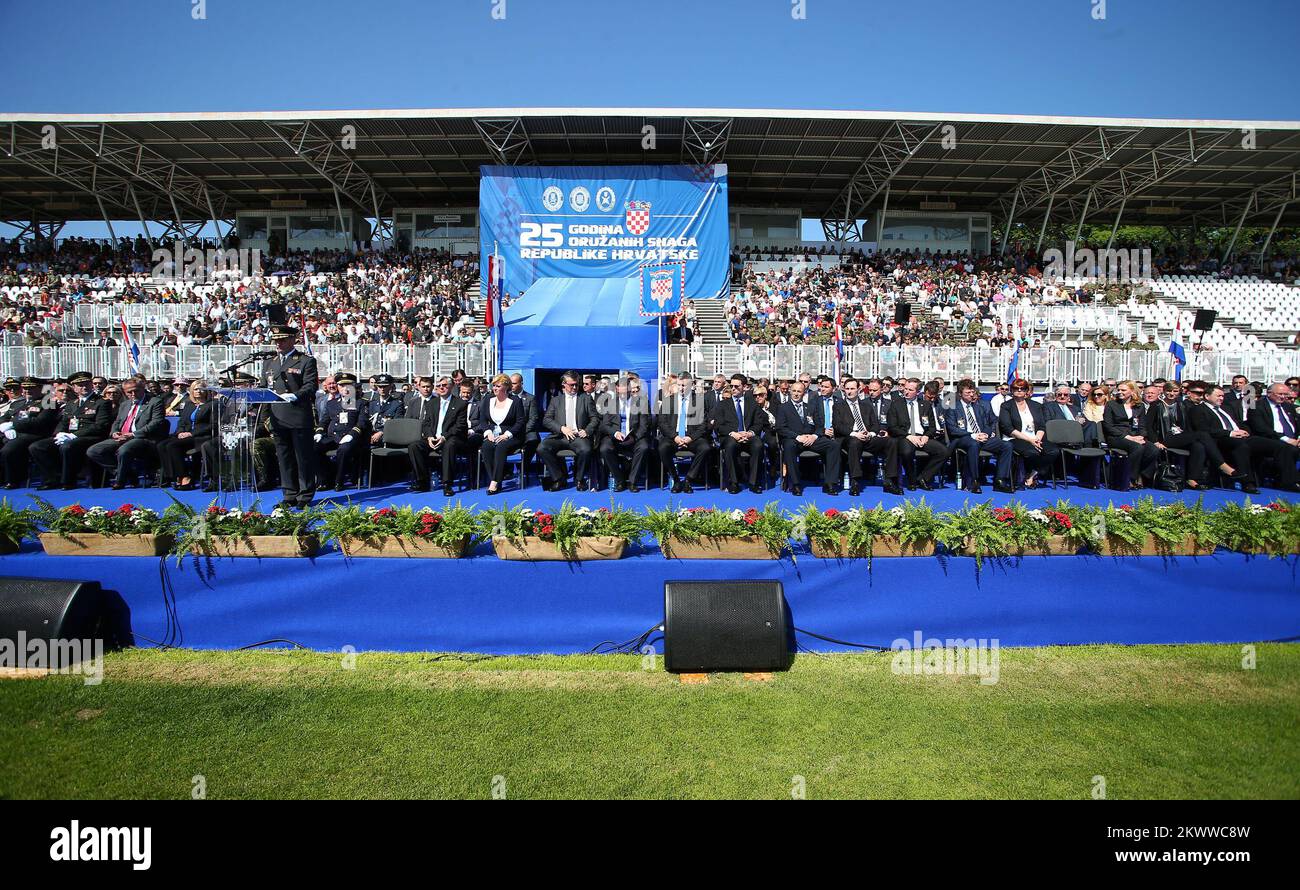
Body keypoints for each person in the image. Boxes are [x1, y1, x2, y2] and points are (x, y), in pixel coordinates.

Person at [259, 323, 320, 508]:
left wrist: (295, 395)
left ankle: (305, 495)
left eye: (283, 339)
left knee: (303, 458)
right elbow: (265, 389)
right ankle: (289, 494)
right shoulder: (269, 362)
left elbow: (310, 386)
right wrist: (266, 417)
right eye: (276, 340)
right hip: (278, 417)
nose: (278, 343)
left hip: (298, 415)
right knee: (284, 458)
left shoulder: (305, 361)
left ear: (293, 340)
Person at [30, 371, 113, 490]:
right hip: (69, 435)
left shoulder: (102, 402)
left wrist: (73, 435)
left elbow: (101, 425)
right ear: (74, 388)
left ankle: (67, 481)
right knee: (37, 447)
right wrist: (59, 434)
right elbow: (64, 422)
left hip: (91, 436)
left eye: (87, 384)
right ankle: (53, 479)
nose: (84, 387)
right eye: (80, 385)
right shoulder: (71, 403)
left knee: (67, 447)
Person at [86, 376, 169, 489]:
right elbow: (118, 421)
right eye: (129, 392)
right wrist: (115, 432)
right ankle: (128, 474)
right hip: (123, 437)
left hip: (143, 438)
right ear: (125, 392)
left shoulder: (154, 402)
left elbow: (156, 423)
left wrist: (133, 435)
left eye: (136, 391)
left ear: (142, 388)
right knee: (94, 451)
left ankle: (120, 481)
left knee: (124, 450)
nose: (133, 394)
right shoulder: (125, 404)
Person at [834, 377, 902, 496]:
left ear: (859, 390)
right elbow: (838, 426)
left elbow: (875, 425)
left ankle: (889, 481)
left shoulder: (866, 405)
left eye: (852, 389)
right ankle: (855, 481)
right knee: (855, 443)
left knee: (891, 442)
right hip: (849, 437)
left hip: (867, 437)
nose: (849, 391)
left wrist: (870, 434)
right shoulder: (839, 406)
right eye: (847, 389)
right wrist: (856, 434)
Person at [1185, 384, 1256, 493]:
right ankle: (1247, 482)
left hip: (1240, 436)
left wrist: (1245, 431)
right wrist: (1230, 433)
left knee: (1278, 446)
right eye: (1218, 396)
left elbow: (1239, 423)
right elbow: (1203, 430)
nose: (1221, 398)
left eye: (1222, 396)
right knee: (1241, 446)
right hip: (1220, 439)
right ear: (1207, 396)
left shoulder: (1227, 408)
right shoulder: (1198, 410)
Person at [777, 379, 842, 496]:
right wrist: (797, 437)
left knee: (833, 445)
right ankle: (796, 484)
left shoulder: (810, 407)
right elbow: (781, 428)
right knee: (789, 446)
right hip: (794, 439)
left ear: (804, 393)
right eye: (794, 391)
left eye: (799, 391)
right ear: (790, 392)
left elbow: (819, 426)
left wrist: (814, 436)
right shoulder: (783, 408)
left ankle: (830, 483)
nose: (796, 394)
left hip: (811, 439)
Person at [946, 379, 1012, 494]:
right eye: (968, 393)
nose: (971, 395)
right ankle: (974, 480)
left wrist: (985, 433)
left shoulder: (978, 407)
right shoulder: (953, 408)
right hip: (963, 438)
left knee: (1007, 445)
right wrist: (973, 435)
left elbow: (986, 424)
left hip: (981, 437)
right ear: (960, 394)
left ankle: (1000, 480)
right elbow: (952, 429)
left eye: (972, 392)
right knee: (973, 444)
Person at [538, 371, 598, 492]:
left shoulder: (585, 399)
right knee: (542, 448)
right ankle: (559, 478)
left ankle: (580, 479)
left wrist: (587, 430)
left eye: (576, 384)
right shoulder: (556, 400)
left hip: (578, 436)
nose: (575, 387)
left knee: (586, 450)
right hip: (560, 436)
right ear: (564, 384)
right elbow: (546, 420)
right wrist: (561, 428)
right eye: (571, 385)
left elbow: (595, 418)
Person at [887, 378, 949, 491]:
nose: (906, 391)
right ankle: (911, 479)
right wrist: (909, 436)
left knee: (943, 451)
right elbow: (892, 427)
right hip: (906, 436)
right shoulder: (896, 404)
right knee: (906, 452)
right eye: (905, 389)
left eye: (910, 390)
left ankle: (923, 478)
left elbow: (932, 427)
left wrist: (926, 436)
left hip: (922, 436)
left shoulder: (925, 405)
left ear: (918, 392)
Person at [408, 376, 466, 496]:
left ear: (451, 386)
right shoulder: (432, 403)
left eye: (444, 385)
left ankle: (447, 484)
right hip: (433, 438)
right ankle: (422, 481)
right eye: (439, 386)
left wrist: (444, 437)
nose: (441, 388)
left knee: (449, 445)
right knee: (414, 446)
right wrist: (429, 437)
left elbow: (460, 426)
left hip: (451, 438)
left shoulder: (460, 404)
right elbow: (426, 423)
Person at [1, 377, 61, 489]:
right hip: (13, 433)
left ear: (40, 388)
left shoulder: (48, 401)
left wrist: (13, 425)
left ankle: (12, 480)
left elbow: (41, 422)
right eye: (25, 388)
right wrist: (4, 427)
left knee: (8, 450)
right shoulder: (18, 403)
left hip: (34, 434)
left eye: (31, 388)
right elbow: (4, 417)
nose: (27, 391)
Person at [998, 378, 1059, 490]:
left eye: (1022, 388)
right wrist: (1030, 440)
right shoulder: (1006, 406)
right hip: (1015, 438)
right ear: (1012, 390)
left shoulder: (1035, 405)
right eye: (1016, 388)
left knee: (1053, 450)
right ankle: (1023, 476)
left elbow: (1041, 425)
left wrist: (1037, 439)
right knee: (1032, 452)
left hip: (1035, 438)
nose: (1019, 390)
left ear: (1027, 391)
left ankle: (1032, 474)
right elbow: (1008, 428)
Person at [313, 372, 369, 491]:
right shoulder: (332, 403)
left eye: (348, 385)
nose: (345, 388)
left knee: (343, 449)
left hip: (351, 437)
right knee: (314, 447)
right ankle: (324, 479)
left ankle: (339, 481)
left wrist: (351, 434)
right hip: (333, 436)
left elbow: (362, 423)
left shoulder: (361, 402)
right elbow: (324, 421)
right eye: (342, 386)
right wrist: (318, 432)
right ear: (338, 387)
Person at [656, 373, 711, 493]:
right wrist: (675, 437)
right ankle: (676, 479)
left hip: (692, 437)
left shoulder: (699, 402)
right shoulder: (668, 401)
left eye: (684, 385)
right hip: (673, 436)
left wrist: (690, 437)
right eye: (679, 385)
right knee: (662, 447)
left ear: (691, 385)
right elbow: (662, 422)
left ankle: (688, 480)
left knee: (705, 448)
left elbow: (703, 425)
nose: (681, 388)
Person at [713, 373, 767, 494]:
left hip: (748, 435)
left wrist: (750, 433)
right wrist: (734, 433)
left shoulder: (752, 403)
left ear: (744, 387)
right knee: (730, 446)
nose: (733, 389)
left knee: (758, 445)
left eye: (737, 386)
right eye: (732, 386)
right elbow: (719, 425)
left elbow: (759, 423)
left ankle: (754, 483)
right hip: (731, 436)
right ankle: (733, 482)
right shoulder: (722, 404)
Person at [597, 376, 652, 493]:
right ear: (617, 389)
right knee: (605, 448)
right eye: (622, 388)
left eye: (627, 388)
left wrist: (634, 437)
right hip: (616, 436)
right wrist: (615, 433)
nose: (625, 391)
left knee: (644, 447)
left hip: (634, 436)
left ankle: (633, 481)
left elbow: (644, 425)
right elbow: (605, 425)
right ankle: (620, 480)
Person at [159, 380, 215, 491]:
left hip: (201, 437)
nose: (198, 391)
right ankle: (174, 476)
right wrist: (180, 432)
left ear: (207, 391)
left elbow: (212, 425)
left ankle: (185, 476)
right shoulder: (189, 405)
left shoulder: (212, 405)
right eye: (195, 389)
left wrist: (190, 433)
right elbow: (182, 422)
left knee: (172, 446)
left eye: (201, 389)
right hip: (185, 436)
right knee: (161, 445)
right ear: (191, 391)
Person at [1102, 379, 1157, 490]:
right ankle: (1129, 478)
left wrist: (1141, 436)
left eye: (1123, 390)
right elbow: (1108, 426)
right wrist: (1128, 437)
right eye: (1119, 390)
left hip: (1135, 436)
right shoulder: (1111, 404)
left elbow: (1142, 425)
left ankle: (1142, 474)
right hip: (1117, 437)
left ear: (1132, 391)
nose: (1120, 392)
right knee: (1137, 448)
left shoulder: (1139, 406)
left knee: (1153, 450)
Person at [476, 374, 525, 495]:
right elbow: (482, 419)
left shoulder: (515, 401)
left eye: (498, 386)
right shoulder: (488, 399)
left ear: (506, 387)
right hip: (493, 434)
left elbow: (520, 422)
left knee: (501, 447)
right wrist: (487, 433)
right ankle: (496, 478)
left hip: (511, 435)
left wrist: (507, 435)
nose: (495, 388)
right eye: (494, 386)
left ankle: (494, 481)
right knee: (486, 447)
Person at [1246, 382, 1300, 492]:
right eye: (1280, 394)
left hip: (1293, 440)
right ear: (1269, 393)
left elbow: (1296, 425)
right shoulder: (1256, 406)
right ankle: (1290, 483)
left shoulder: (1288, 406)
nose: (1283, 397)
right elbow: (1261, 429)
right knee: (1286, 448)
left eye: (1285, 394)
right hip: (1269, 439)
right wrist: (1286, 439)